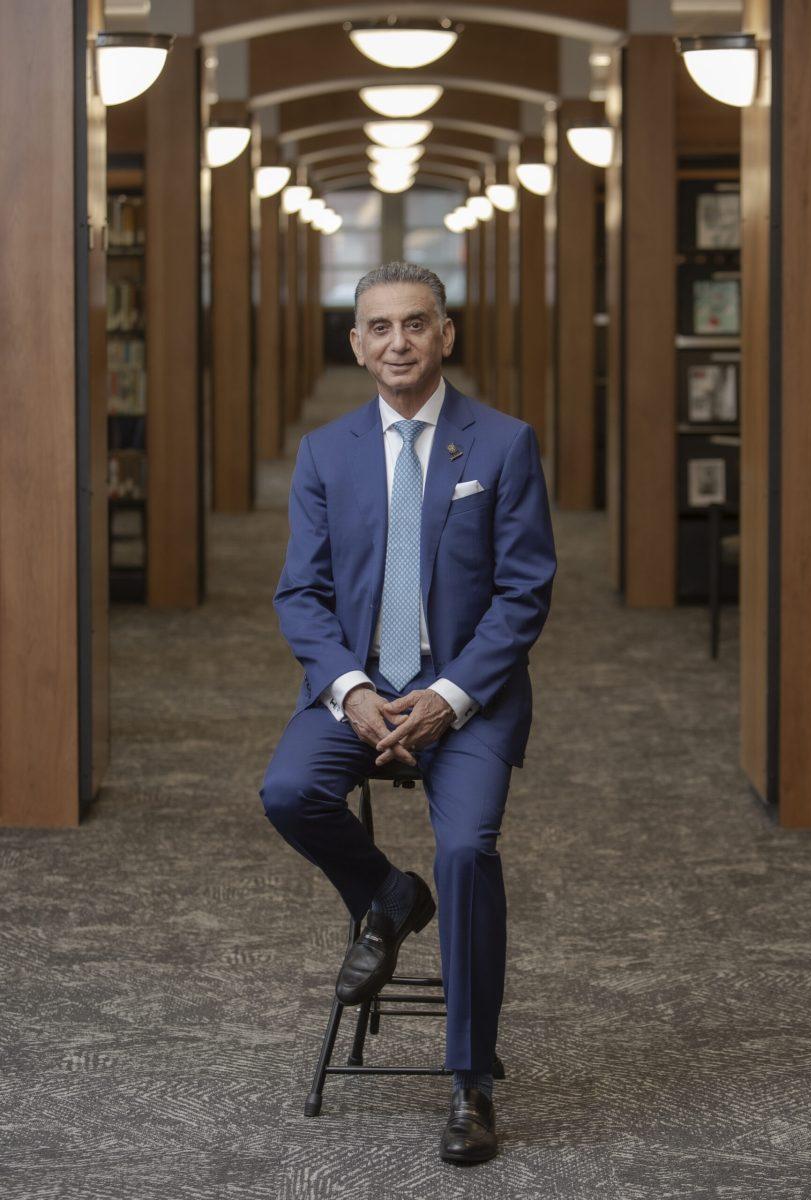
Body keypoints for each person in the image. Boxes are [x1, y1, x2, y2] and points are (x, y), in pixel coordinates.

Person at [259, 261, 556, 1164]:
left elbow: (524, 593)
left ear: (445, 334)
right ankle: (389, 895)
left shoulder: (501, 445)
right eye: (379, 328)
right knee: (286, 792)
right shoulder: (326, 451)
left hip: (468, 693)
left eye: (415, 325)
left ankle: (470, 1081)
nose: (397, 343)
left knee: (467, 850)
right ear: (355, 345)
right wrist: (348, 689)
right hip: (357, 686)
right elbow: (301, 595)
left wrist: (448, 694)